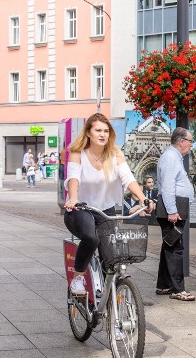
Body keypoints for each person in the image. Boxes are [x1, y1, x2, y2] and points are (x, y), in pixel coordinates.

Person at [63, 113, 152, 296]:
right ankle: (78, 278)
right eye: (98, 130)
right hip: (80, 208)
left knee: (111, 256)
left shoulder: (115, 154)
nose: (102, 134)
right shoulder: (77, 153)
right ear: (88, 132)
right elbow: (73, 178)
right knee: (91, 238)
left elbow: (128, 179)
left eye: (106, 131)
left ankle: (109, 300)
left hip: (105, 210)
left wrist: (143, 198)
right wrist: (73, 198)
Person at [155, 127, 195, 301]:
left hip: (177, 207)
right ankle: (178, 289)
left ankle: (163, 285)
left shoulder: (173, 157)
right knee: (175, 249)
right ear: (182, 142)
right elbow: (168, 186)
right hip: (173, 209)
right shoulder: (171, 158)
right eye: (190, 142)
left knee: (169, 246)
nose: (191, 146)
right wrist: (172, 210)